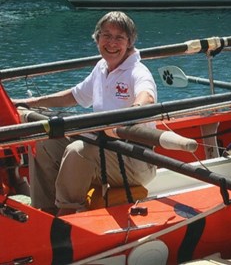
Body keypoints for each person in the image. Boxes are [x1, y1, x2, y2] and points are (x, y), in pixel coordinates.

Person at [13, 11, 157, 215]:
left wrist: (132, 112)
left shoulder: (138, 72)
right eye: (106, 35)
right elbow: (73, 96)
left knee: (78, 150)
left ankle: (68, 213)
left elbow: (147, 97)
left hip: (135, 160)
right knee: (45, 140)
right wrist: (28, 102)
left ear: (129, 43)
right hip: (104, 146)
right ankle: (45, 210)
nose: (112, 43)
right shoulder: (101, 68)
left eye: (119, 37)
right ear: (97, 38)